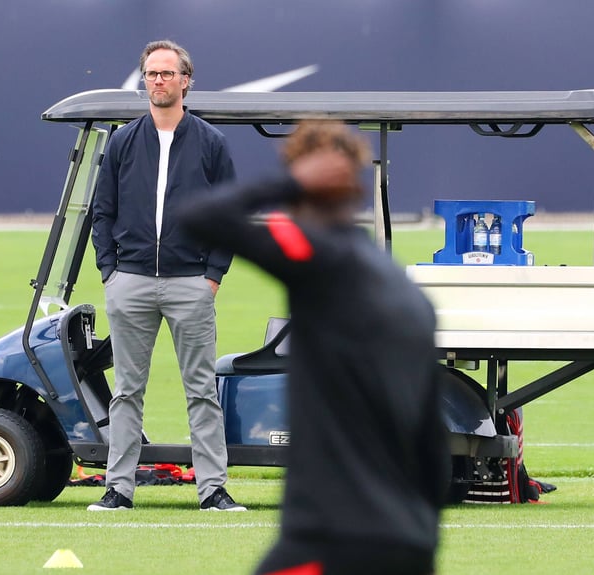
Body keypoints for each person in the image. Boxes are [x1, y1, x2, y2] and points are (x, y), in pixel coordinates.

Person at [179, 120, 449, 574]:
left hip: (333, 537)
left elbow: (198, 217)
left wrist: (288, 183)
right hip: (410, 541)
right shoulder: (408, 294)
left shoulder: (319, 260)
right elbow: (433, 446)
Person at [88, 39, 243, 512]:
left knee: (200, 390)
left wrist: (212, 275)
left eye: (167, 73)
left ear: (185, 80)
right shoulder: (122, 141)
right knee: (127, 391)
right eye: (151, 74)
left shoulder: (211, 143)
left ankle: (212, 489)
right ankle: (119, 488)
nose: (158, 81)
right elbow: (102, 212)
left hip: (191, 284)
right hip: (130, 283)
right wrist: (110, 272)